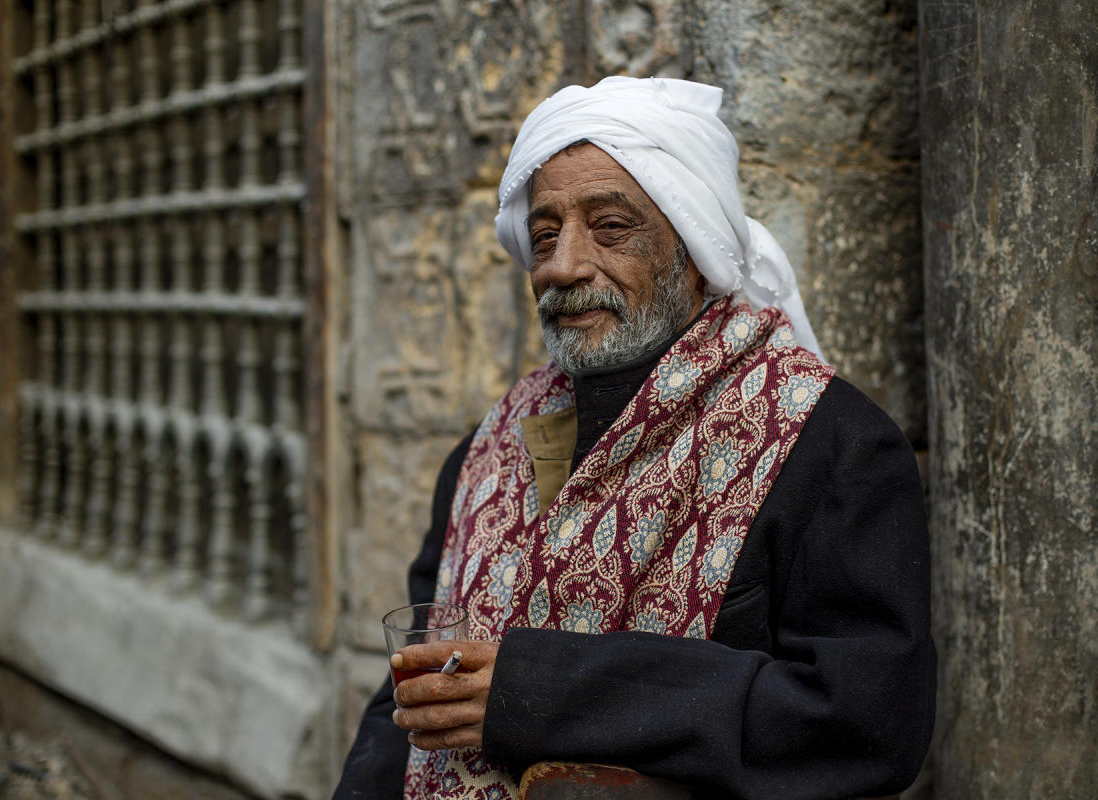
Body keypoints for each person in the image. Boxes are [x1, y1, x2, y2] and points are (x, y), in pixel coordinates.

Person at [334, 76, 935, 800]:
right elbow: (406, 706)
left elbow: (864, 723)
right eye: (546, 234)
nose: (562, 266)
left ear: (692, 245)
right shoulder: (487, 452)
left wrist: (538, 690)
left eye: (611, 227)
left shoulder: (827, 444)